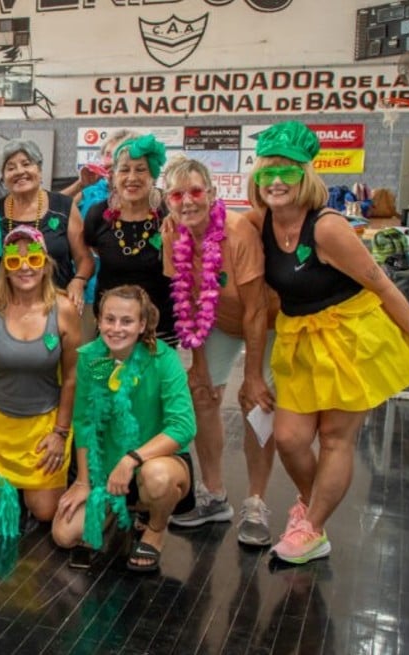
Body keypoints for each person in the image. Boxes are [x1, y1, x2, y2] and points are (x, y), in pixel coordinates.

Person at [250, 121, 409, 563]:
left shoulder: (328, 227)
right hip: (299, 339)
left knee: (335, 439)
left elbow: (384, 286)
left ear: (306, 176)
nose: (276, 182)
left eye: (288, 172)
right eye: (266, 173)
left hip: (350, 337)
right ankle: (311, 504)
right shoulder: (262, 222)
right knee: (290, 438)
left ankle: (313, 528)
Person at [157, 157, 279, 546]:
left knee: (257, 405)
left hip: (268, 323)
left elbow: (257, 308)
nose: (187, 201)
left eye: (195, 191)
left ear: (211, 193)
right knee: (202, 395)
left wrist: (254, 375)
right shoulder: (172, 234)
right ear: (168, 200)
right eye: (177, 194)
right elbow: (189, 300)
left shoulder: (237, 231)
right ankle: (214, 496)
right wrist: (200, 365)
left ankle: (256, 502)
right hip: (217, 323)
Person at [51, 285, 197, 573]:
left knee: (157, 479)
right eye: (109, 319)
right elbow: (84, 421)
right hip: (105, 474)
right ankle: (125, 509)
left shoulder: (162, 359)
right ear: (99, 320)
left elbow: (183, 426)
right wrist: (82, 481)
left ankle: (155, 528)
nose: (116, 328)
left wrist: (132, 459)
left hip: (155, 464)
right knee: (65, 534)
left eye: (127, 321)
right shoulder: (94, 359)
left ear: (142, 324)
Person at [0, 227, 80, 525]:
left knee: (45, 512)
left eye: (33, 259)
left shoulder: (63, 309)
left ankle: (25, 491)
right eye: (14, 261)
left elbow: (73, 376)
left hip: (43, 424)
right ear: (5, 267)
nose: (24, 267)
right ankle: (7, 487)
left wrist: (60, 432)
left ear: (45, 263)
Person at [0, 139, 93, 304]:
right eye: (10, 168)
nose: (19, 171)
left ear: (39, 169)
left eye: (26, 164)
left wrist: (79, 281)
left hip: (54, 305)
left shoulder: (63, 206)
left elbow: (84, 258)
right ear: (3, 177)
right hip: (0, 307)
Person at [83, 134, 175, 343]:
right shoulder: (98, 215)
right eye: (124, 170)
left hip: (160, 330)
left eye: (140, 169)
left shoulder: (168, 213)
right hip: (112, 330)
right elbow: (93, 250)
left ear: (153, 173)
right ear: (114, 176)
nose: (132, 178)